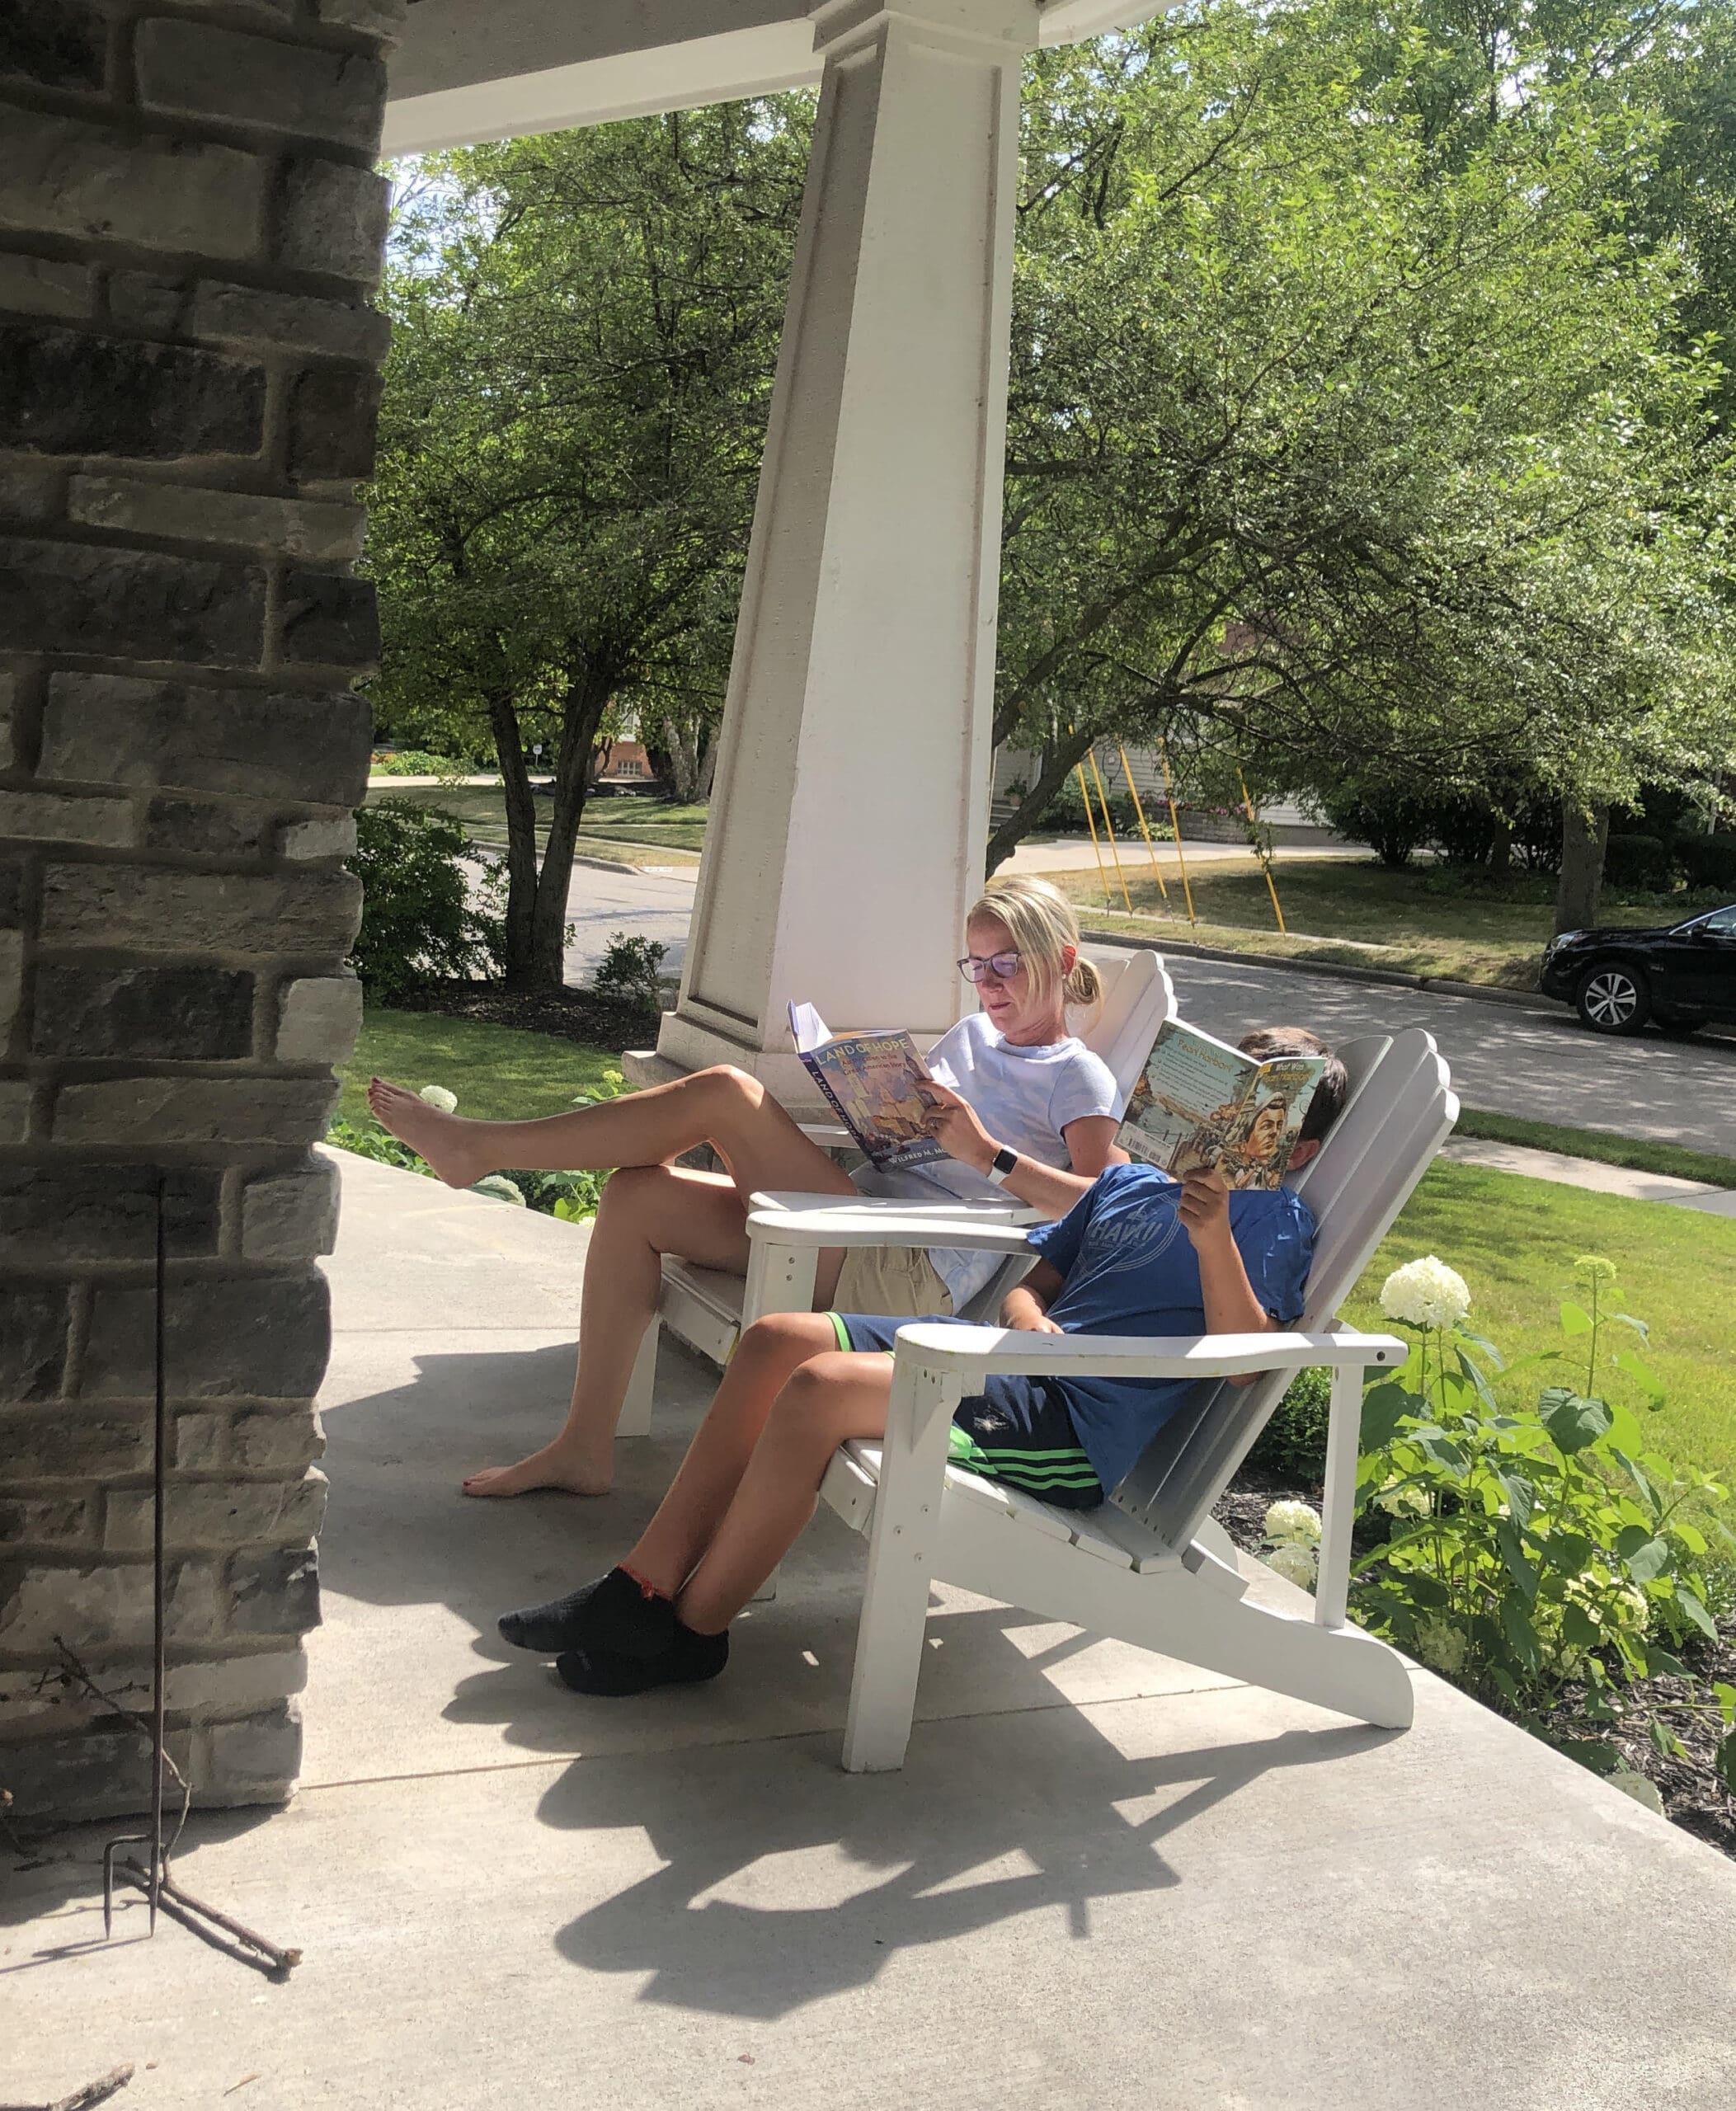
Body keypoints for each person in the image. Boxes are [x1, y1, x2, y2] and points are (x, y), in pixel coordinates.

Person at [494, 1026, 1348, 1697]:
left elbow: (1243, 1361)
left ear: (1292, 1148)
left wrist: (1211, 1238)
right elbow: (1035, 1281)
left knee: (819, 1388)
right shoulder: (1126, 1188)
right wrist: (1026, 1316)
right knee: (776, 1339)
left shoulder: (1271, 1221)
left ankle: (693, 1631)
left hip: (1065, 1429)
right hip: (1007, 1364)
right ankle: (641, 1585)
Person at [365, 875, 1124, 1498]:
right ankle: (581, 1449)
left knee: (727, 1092)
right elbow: (919, 1138)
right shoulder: (971, 1037)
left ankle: (480, 1149)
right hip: (855, 1215)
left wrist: (986, 1154)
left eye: (1007, 966)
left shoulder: (1076, 1075)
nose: (988, 985)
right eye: (976, 965)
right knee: (638, 1198)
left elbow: (1100, 1208)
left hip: (907, 1268)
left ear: (1058, 962)